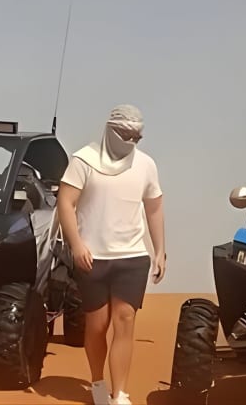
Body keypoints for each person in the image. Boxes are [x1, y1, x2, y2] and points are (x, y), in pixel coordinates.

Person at [57, 105, 165, 405]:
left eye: (137, 136)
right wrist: (76, 244)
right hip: (93, 257)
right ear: (110, 130)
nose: (131, 141)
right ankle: (97, 382)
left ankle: (120, 394)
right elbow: (65, 203)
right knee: (97, 325)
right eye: (126, 134)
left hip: (132, 256)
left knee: (125, 318)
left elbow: (154, 206)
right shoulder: (84, 160)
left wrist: (160, 251)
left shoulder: (145, 165)